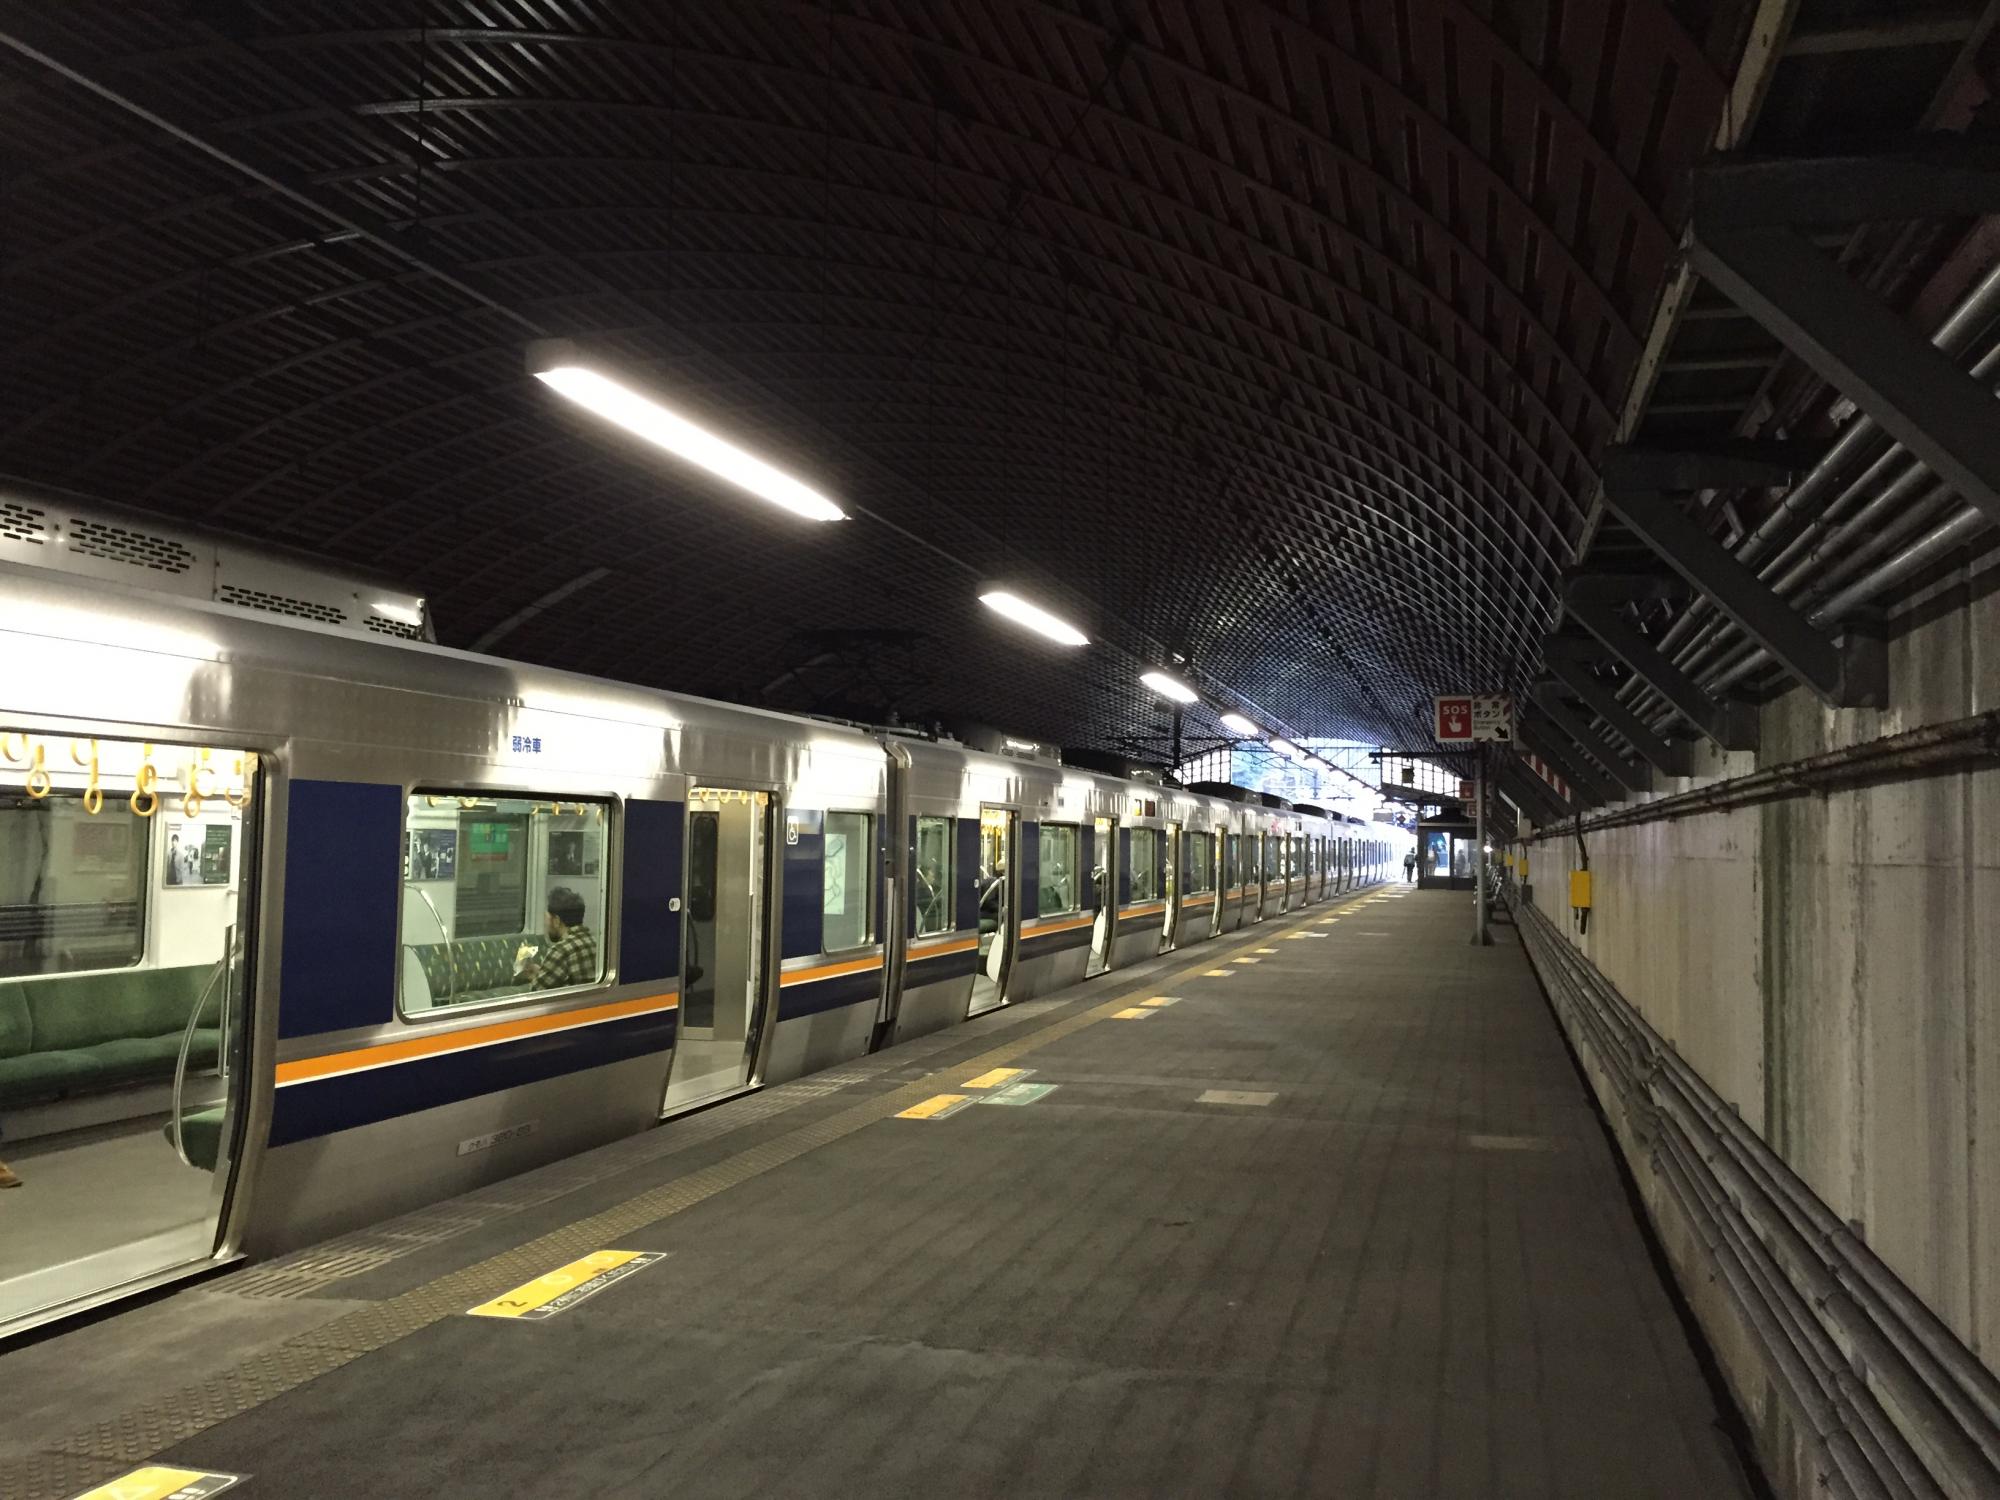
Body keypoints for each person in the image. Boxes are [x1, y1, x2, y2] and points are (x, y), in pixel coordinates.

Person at [518, 887, 597, 991]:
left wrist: (535, 978)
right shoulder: (594, 942)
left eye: (547, 918)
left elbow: (536, 991)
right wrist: (541, 973)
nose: (546, 924)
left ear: (556, 921)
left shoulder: (560, 951)